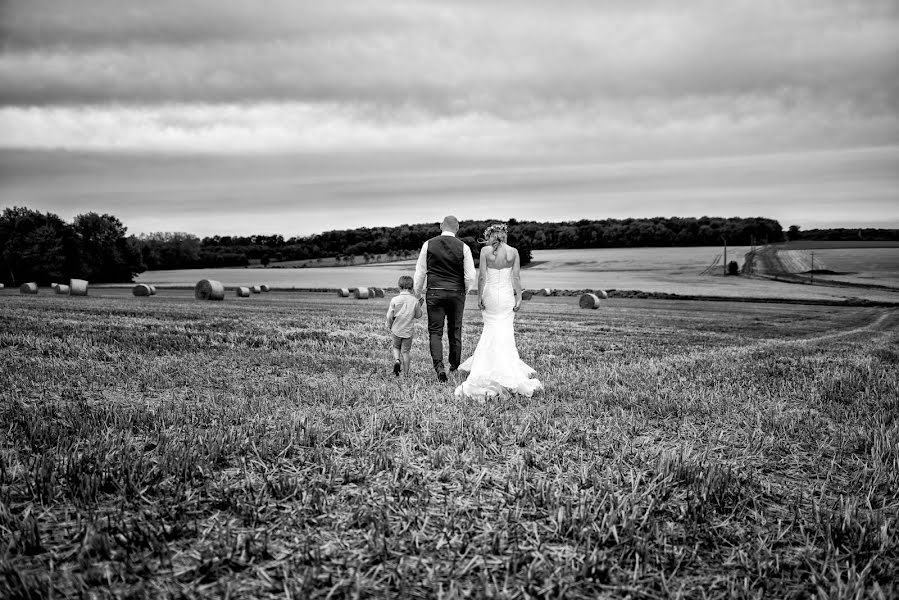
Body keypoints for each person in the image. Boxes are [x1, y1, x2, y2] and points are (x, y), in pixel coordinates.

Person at [454, 223, 543, 398]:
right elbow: (516, 277)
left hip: (491, 294)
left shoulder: (486, 252)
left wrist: (479, 297)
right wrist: (518, 297)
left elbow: (482, 277)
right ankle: (507, 370)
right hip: (507, 295)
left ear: (491, 236)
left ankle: (486, 369)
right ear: (504, 235)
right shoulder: (514, 252)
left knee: (490, 330)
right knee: (506, 332)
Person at [413, 215, 476, 382]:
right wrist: (465, 290)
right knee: (455, 330)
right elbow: (470, 276)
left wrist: (417, 293)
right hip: (456, 293)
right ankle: (454, 365)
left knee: (435, 332)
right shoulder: (464, 247)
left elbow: (420, 272)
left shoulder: (428, 244)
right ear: (457, 228)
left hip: (434, 292)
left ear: (441, 226)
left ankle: (439, 367)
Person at [385, 275, 423, 376]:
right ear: (412, 288)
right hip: (408, 331)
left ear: (399, 287)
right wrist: (420, 305)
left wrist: (389, 325)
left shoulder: (394, 300)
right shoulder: (415, 300)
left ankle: (397, 360)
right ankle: (406, 374)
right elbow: (418, 315)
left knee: (396, 347)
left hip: (396, 330)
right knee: (406, 352)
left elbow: (389, 315)